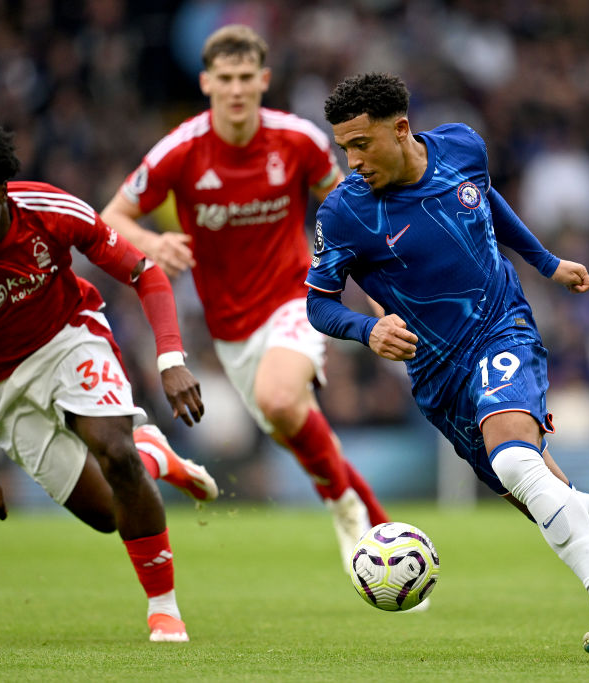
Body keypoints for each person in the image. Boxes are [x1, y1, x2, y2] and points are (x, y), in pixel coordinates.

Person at [306, 73, 589, 659]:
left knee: (516, 457)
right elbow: (316, 301)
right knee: (550, 493)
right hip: (438, 378)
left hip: (502, 328)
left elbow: (485, 198)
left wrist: (545, 263)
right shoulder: (344, 213)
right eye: (344, 146)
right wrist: (368, 329)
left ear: (401, 129)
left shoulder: (462, 145)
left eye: (362, 143)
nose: (353, 159)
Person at [0, 120, 219, 644]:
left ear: (2, 192)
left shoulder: (51, 210)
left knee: (113, 454)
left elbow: (146, 273)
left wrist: (170, 360)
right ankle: (156, 458)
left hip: (68, 339)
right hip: (0, 387)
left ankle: (164, 610)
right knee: (106, 515)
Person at [101, 24, 389, 571]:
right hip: (230, 328)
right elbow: (112, 216)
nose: (236, 90)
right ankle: (373, 520)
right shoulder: (180, 150)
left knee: (282, 401)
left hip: (296, 298)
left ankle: (350, 513)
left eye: (245, 79)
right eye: (225, 79)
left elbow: (351, 213)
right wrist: (152, 240)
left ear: (263, 80)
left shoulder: (297, 140)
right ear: (207, 82)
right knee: (292, 425)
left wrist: (376, 294)